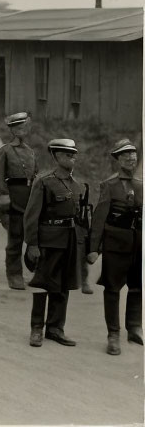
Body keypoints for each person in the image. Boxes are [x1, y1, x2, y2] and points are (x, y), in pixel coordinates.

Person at [24, 139, 85, 348]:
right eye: (68, 155)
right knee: (43, 284)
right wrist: (32, 244)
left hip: (69, 240)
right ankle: (36, 329)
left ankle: (56, 328)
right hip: (49, 240)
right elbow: (31, 216)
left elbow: (80, 218)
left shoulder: (76, 185)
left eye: (74, 155)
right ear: (57, 156)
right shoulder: (44, 181)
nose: (72, 158)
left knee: (63, 285)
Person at [87, 138, 142, 355]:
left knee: (137, 287)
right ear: (117, 159)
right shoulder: (109, 185)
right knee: (112, 289)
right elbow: (99, 219)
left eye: (133, 154)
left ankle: (134, 327)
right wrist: (93, 248)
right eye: (125, 155)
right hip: (115, 244)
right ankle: (113, 334)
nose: (131, 158)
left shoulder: (141, 185)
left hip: (137, 244)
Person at [0, 112, 38, 290]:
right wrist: (3, 198)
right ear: (11, 129)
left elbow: (36, 176)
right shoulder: (5, 151)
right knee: (16, 237)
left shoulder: (30, 152)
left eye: (23, 127)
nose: (21, 130)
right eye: (17, 127)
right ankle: (14, 274)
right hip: (13, 196)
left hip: (30, 197)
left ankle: (35, 269)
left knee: (34, 235)